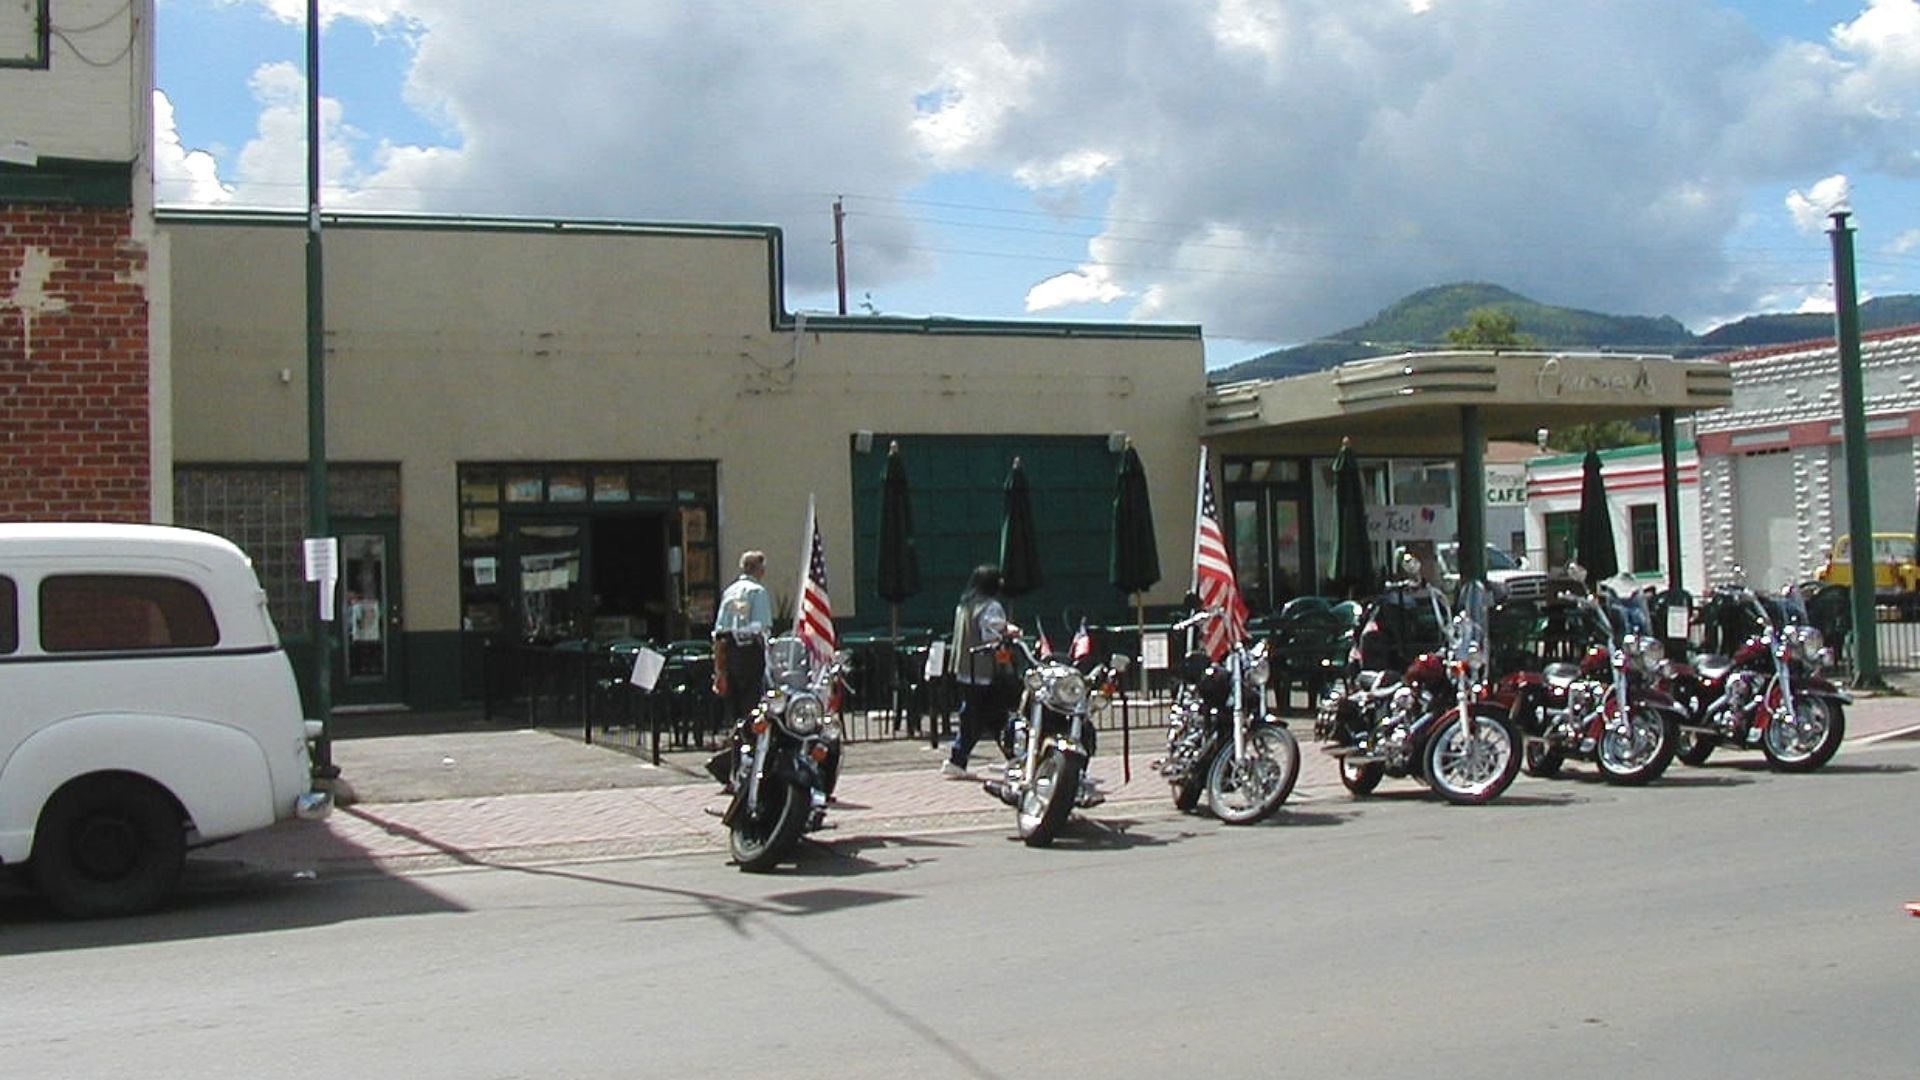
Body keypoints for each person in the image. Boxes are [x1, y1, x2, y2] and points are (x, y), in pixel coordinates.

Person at [943, 564, 1020, 778]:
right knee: (990, 716)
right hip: (987, 670)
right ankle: (1013, 758)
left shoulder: (964, 605)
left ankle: (960, 759)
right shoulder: (991, 606)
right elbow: (991, 635)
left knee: (980, 716)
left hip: (965, 669)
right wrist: (1010, 632)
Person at [705, 550, 773, 789]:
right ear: (760, 569)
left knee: (735, 718)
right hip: (750, 655)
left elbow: (719, 634)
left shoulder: (730, 592)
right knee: (753, 714)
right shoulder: (757, 592)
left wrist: (719, 671)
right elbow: (761, 628)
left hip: (729, 656)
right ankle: (751, 771)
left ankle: (735, 772)